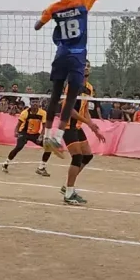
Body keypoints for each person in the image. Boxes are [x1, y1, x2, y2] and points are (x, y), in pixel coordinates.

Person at [34, 0, 116, 155]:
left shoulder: (53, 8)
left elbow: (36, 26)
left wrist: (53, 22)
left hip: (60, 54)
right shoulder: (82, 2)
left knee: (54, 95)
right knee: (70, 97)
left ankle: (47, 135)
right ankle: (57, 138)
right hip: (77, 56)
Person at [57, 60, 107, 205]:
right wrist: (87, 122)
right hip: (67, 126)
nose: (85, 68)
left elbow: (85, 111)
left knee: (88, 156)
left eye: (88, 66)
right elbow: (69, 110)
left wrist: (94, 128)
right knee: (77, 157)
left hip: (77, 127)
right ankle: (68, 194)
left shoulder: (89, 88)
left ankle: (67, 187)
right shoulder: (73, 85)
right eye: (83, 65)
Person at [2, 99, 48, 173]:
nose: (35, 103)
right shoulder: (25, 113)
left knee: (48, 147)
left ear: (39, 103)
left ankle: (41, 167)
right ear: (30, 103)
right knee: (18, 147)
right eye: (33, 102)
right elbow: (18, 124)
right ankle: (6, 163)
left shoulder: (43, 113)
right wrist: (16, 132)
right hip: (24, 133)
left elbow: (44, 126)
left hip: (35, 134)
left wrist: (41, 136)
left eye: (37, 102)